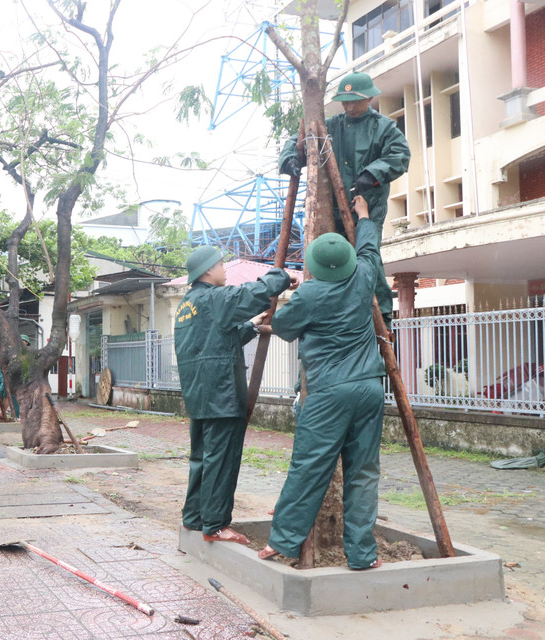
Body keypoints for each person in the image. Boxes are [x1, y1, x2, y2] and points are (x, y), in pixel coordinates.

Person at [258, 195, 386, 570]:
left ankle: (283, 542)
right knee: (363, 473)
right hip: (370, 388)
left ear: (315, 266)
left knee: (310, 466)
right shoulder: (363, 276)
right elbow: (369, 247)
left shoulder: (310, 294)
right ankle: (362, 556)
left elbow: (281, 326)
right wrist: (363, 216)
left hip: (329, 392)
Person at [175, 246, 293, 543]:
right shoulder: (215, 298)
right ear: (207, 271)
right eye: (220, 265)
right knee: (222, 461)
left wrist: (252, 325)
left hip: (200, 395)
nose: (224, 270)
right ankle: (215, 524)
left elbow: (217, 340)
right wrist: (281, 277)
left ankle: (194, 518)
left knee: (201, 458)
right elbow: (249, 294)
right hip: (222, 396)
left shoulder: (187, 305)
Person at [279, 71, 410, 328]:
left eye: (355, 101)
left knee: (368, 261)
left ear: (369, 99)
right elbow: (297, 141)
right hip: (331, 211)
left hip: (365, 210)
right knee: (327, 260)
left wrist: (372, 174)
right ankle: (331, 315)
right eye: (345, 101)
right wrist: (290, 159)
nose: (349, 107)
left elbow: (400, 155)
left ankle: (381, 319)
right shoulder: (333, 125)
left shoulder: (383, 127)